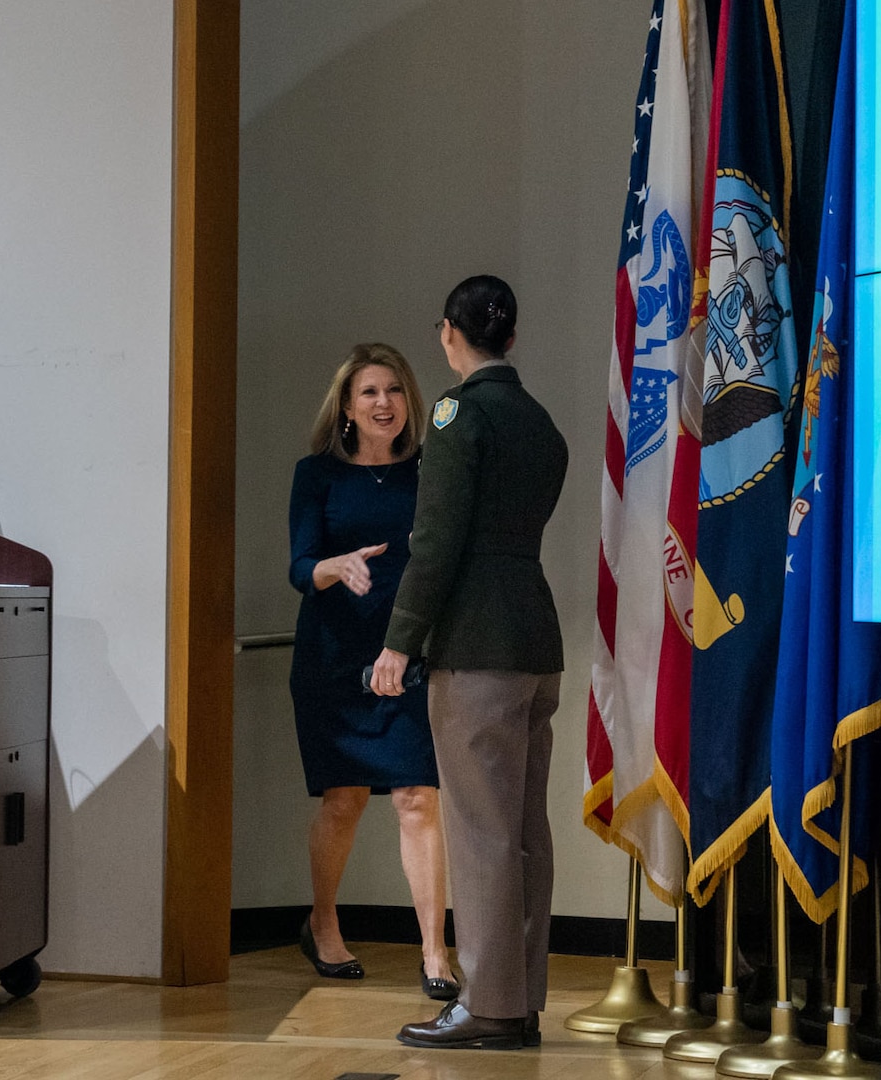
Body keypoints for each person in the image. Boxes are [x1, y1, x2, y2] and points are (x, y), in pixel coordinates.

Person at [371, 275, 568, 1050]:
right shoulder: (539, 421)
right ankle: (518, 1002)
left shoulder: (459, 416)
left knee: (482, 832)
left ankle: (485, 1006)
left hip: (477, 644)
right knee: (523, 832)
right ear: (511, 338)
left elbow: (437, 540)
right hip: (535, 638)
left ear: (448, 333)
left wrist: (400, 638)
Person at [288, 342, 458, 1000]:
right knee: (344, 802)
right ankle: (323, 925)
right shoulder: (317, 475)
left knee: (418, 801)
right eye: (368, 392)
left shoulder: (428, 471)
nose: (383, 402)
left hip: (409, 654)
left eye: (392, 390)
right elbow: (301, 566)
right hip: (334, 659)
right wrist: (336, 566)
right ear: (347, 408)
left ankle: (435, 954)